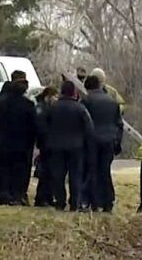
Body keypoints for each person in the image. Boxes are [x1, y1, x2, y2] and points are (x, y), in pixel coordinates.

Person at [42, 81, 94, 211]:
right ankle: (74, 202)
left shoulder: (53, 107)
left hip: (56, 146)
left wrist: (48, 139)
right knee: (75, 175)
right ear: (74, 93)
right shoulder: (80, 108)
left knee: (58, 175)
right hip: (76, 147)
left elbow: (43, 125)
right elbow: (89, 128)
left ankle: (60, 201)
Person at [82, 75, 123, 212]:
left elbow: (83, 122)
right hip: (110, 140)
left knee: (92, 170)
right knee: (105, 171)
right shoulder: (112, 102)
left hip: (92, 140)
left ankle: (93, 201)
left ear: (88, 87)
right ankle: (108, 201)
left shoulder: (87, 100)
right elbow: (119, 124)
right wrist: (118, 142)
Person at [0, 71, 38, 205]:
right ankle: (19, 194)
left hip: (5, 142)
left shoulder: (1, 103)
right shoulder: (28, 105)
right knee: (22, 171)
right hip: (24, 144)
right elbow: (34, 125)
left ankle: (6, 194)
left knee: (6, 169)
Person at [33, 86, 59, 207]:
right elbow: (41, 127)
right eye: (54, 96)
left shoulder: (44, 108)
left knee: (49, 171)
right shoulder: (42, 109)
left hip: (47, 143)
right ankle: (42, 197)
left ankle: (47, 196)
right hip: (47, 143)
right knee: (46, 172)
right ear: (48, 96)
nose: (56, 99)